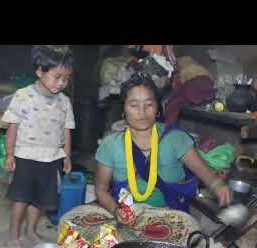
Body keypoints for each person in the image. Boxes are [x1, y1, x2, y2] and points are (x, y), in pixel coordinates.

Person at [95, 73, 232, 225]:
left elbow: (208, 176)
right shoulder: (110, 145)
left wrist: (217, 185)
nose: (142, 111)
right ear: (123, 112)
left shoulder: (175, 139)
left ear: (158, 109)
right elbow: (101, 189)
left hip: (170, 222)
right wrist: (115, 210)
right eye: (134, 105)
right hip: (126, 222)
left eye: (149, 104)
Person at [3, 45, 75, 247]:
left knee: (39, 200)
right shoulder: (23, 96)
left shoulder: (64, 102)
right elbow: (12, 127)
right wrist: (10, 154)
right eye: (57, 77)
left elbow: (67, 130)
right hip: (25, 156)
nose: (61, 83)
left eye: (66, 79)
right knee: (21, 198)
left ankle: (31, 231)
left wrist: (67, 156)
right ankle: (13, 235)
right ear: (39, 71)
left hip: (51, 157)